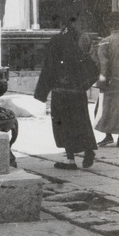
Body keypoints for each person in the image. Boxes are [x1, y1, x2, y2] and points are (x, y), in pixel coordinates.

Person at [34, 17, 98, 170]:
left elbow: (48, 66)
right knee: (81, 123)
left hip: (60, 92)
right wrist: (84, 85)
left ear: (62, 24)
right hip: (77, 93)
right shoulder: (80, 42)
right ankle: (88, 150)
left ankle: (70, 160)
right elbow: (93, 68)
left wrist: (41, 93)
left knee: (64, 125)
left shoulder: (56, 41)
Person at [94, 11, 119, 147]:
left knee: (105, 109)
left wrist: (101, 82)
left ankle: (108, 135)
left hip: (112, 82)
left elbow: (103, 65)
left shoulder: (105, 42)